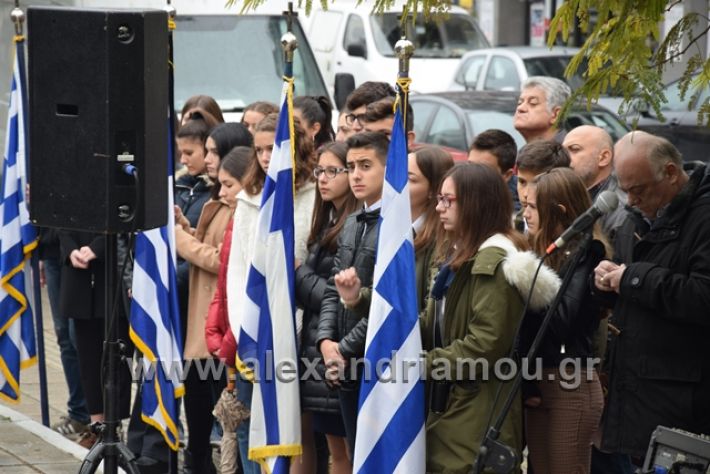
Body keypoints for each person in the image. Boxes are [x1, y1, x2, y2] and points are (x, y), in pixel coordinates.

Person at [420, 163, 560, 473]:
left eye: (448, 200)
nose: (440, 208)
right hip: (455, 403)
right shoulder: (462, 255)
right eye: (439, 199)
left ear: (475, 203)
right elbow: (433, 322)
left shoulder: (493, 263)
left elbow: (485, 345)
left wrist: (420, 364)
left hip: (478, 408)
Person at [593, 131, 710, 463]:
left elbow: (703, 295)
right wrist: (606, 283)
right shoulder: (638, 218)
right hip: (641, 394)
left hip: (684, 399)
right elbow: (635, 296)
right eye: (625, 190)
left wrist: (631, 278)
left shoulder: (703, 217)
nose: (630, 200)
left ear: (671, 173)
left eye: (638, 190)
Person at [226, 113, 317, 474]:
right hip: (255, 324)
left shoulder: (312, 196)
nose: (266, 157)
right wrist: (241, 322)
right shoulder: (249, 197)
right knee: (251, 422)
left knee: (293, 428)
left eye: (273, 148)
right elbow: (239, 266)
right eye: (260, 150)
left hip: (295, 327)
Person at [175, 122, 252, 474]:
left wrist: (180, 240)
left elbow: (222, 256)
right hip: (201, 322)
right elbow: (208, 245)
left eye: (212, 152)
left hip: (221, 329)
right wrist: (187, 227)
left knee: (224, 418)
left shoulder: (244, 210)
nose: (206, 160)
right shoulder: (219, 202)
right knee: (198, 414)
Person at [521, 168, 608, 474]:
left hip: (570, 383)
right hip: (539, 379)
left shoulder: (587, 254)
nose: (525, 213)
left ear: (558, 211)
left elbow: (560, 323)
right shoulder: (540, 253)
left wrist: (525, 279)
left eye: (533, 207)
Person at [316, 131, 390, 458]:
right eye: (351, 166)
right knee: (353, 449)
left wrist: (342, 349)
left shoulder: (393, 225)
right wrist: (325, 341)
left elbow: (385, 301)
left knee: (373, 455)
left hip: (372, 360)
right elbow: (335, 289)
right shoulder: (353, 222)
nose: (356, 175)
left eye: (366, 165)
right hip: (344, 361)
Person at [294, 141, 359, 474]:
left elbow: (334, 295)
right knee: (329, 448)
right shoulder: (327, 221)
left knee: (343, 453)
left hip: (336, 349)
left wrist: (297, 273)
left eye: (333, 171)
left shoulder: (354, 226)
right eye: (320, 171)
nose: (323, 179)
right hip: (315, 352)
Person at [57, 231, 133, 449]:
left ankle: (114, 425)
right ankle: (96, 425)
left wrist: (98, 248)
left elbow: (124, 217)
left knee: (116, 358)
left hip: (112, 276)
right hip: (78, 278)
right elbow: (62, 218)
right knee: (88, 358)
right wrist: (70, 250)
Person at [38, 229, 90, 439]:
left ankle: (96, 416)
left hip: (79, 252)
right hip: (51, 251)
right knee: (64, 338)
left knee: (80, 337)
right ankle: (78, 413)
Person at [408, 145, 454, 312]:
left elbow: (429, 311)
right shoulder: (397, 229)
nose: (399, 184)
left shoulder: (441, 241)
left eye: (410, 179)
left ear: (432, 190)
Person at [563, 125, 628, 241]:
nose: (564, 158)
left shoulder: (619, 210)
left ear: (603, 157)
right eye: (563, 151)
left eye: (574, 149)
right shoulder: (565, 195)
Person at [515, 140, 571, 232]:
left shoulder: (569, 230)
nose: (526, 194)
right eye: (522, 182)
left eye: (536, 184)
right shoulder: (519, 221)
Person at [468, 129, 520, 211]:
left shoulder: (513, 214)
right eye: (470, 165)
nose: (473, 173)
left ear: (507, 175)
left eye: (483, 169)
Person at [513, 76, 571, 143]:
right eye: (520, 103)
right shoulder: (523, 151)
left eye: (532, 103)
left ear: (556, 114)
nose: (520, 108)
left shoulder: (570, 151)